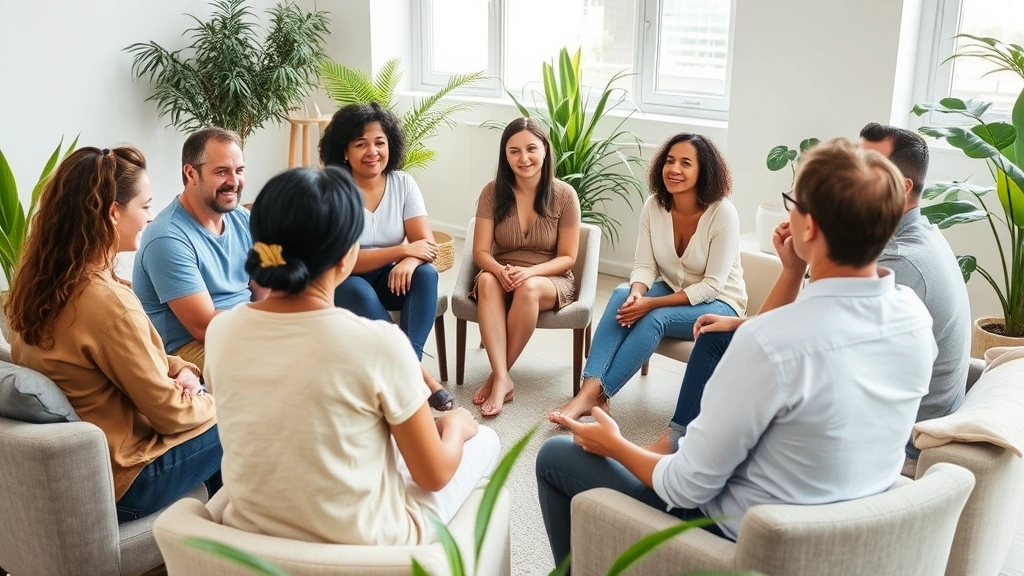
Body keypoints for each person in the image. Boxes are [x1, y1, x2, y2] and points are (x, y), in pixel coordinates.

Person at [537, 138, 937, 565]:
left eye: (793, 203)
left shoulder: (768, 345)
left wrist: (615, 445)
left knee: (556, 456)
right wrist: (793, 269)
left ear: (810, 228)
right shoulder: (915, 319)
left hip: (734, 538)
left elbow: (684, 486)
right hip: (851, 526)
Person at [204, 166, 500, 545]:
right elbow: (434, 475)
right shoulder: (378, 343)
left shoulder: (223, 331)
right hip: (366, 544)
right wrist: (457, 424)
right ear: (347, 256)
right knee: (484, 441)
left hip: (255, 534)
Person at [648, 124, 971, 465]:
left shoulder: (899, 263)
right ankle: (680, 436)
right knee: (719, 336)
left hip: (899, 434)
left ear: (902, 188)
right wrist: (785, 278)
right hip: (870, 409)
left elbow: (808, 340)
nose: (853, 174)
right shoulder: (897, 243)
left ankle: (688, 443)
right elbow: (810, 323)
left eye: (869, 165)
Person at [6, 146, 221, 522]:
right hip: (130, 477)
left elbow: (122, 357)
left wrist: (183, 369)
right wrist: (214, 399)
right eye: (145, 205)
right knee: (248, 415)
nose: (151, 218)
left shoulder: (41, 285)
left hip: (101, 467)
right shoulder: (105, 302)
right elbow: (171, 414)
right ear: (112, 213)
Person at [551, 133, 746, 421]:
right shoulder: (654, 205)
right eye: (669, 161)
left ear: (704, 170)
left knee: (656, 318)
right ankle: (587, 392)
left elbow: (711, 285)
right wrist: (637, 293)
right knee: (620, 295)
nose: (674, 169)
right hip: (672, 288)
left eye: (686, 163)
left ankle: (601, 395)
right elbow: (644, 264)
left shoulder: (723, 214)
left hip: (720, 302)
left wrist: (651, 304)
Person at [320, 103, 452, 411]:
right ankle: (425, 381)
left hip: (389, 278)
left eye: (380, 142)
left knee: (426, 274)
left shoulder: (403, 183)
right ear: (344, 151)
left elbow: (426, 244)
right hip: (344, 280)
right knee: (354, 288)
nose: (373, 151)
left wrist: (410, 260)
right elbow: (345, 262)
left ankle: (406, 369)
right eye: (360, 144)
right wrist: (403, 250)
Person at [470, 117, 581, 417]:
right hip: (504, 272)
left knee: (528, 288)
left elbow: (568, 257)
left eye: (531, 148)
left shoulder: (565, 195)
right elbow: (480, 251)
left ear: (545, 149)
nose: (524, 158)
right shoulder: (492, 192)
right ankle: (504, 376)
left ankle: (497, 377)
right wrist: (498, 269)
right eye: (514, 151)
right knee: (486, 282)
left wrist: (529, 273)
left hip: (548, 277)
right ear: (505, 155)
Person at [133, 127, 264, 369]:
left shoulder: (242, 219)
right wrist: (271, 323)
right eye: (222, 171)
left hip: (245, 328)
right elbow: (204, 327)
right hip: (189, 347)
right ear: (191, 174)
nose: (234, 182)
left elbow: (266, 287)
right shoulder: (167, 237)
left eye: (239, 171)